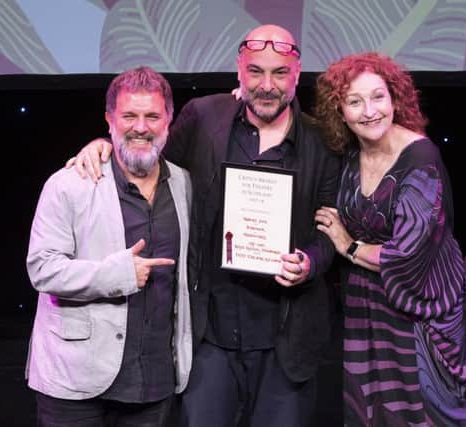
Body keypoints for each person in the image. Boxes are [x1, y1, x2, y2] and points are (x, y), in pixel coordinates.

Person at [70, 25, 340, 427]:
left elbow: (330, 229)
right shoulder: (204, 116)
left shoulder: (322, 141)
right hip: (208, 334)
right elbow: (150, 162)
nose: (267, 85)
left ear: (297, 74)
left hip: (286, 341)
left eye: (280, 73)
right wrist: (106, 147)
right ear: (239, 71)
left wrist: (310, 262)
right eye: (256, 72)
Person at [313, 52, 466, 427]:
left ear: (394, 99)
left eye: (378, 97)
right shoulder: (352, 152)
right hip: (368, 304)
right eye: (355, 102)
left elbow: (407, 256)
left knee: (421, 415)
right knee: (371, 411)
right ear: (340, 110)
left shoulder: (421, 159)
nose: (369, 111)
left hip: (422, 310)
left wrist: (348, 245)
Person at [26, 66, 193, 426]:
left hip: (154, 380)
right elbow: (42, 268)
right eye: (129, 116)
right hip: (75, 381)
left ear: (169, 119)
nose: (140, 127)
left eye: (152, 116)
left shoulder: (183, 183)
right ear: (109, 119)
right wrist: (116, 275)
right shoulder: (69, 184)